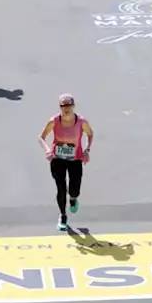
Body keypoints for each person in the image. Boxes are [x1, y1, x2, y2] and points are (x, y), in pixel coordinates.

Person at [39, 93, 93, 231]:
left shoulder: (81, 122)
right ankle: (63, 215)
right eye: (63, 106)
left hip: (75, 159)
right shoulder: (54, 121)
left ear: (73, 106)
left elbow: (90, 134)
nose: (66, 108)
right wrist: (47, 150)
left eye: (69, 105)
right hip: (58, 158)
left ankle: (73, 198)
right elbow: (41, 137)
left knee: (74, 188)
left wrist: (87, 150)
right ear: (60, 107)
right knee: (61, 188)